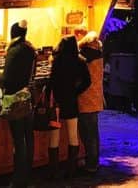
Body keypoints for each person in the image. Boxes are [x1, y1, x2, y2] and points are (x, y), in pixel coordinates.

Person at [47, 34, 91, 179]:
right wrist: (76, 91)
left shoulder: (56, 60)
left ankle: (53, 170)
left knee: (54, 136)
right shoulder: (80, 61)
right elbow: (87, 81)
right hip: (71, 101)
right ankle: (71, 169)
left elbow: (51, 81)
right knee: (73, 135)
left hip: (57, 103)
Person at [3, 20, 36, 188]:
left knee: (18, 139)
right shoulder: (31, 49)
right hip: (27, 98)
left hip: (14, 99)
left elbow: (6, 78)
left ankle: (18, 178)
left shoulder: (13, 51)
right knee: (28, 137)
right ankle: (27, 174)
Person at [76, 29, 105, 174]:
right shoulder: (98, 53)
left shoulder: (85, 55)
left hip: (85, 98)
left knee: (87, 133)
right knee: (93, 132)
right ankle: (94, 161)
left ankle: (91, 164)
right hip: (96, 97)